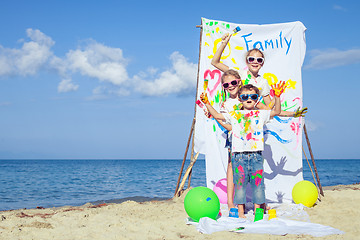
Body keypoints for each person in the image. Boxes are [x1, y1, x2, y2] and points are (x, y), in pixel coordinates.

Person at [202, 82, 286, 218]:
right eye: (245, 96)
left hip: (256, 156)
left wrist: (277, 97)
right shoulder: (235, 114)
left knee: (258, 186)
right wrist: (207, 103)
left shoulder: (261, 114)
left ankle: (258, 212)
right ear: (240, 99)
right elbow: (218, 116)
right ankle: (241, 212)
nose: (249, 99)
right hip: (238, 156)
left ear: (257, 99)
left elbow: (276, 111)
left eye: (253, 96)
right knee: (240, 186)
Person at [211, 33, 272, 107]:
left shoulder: (263, 82)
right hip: (234, 113)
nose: (255, 62)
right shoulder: (239, 74)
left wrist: (277, 97)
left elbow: (269, 107)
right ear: (247, 62)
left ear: (262, 63)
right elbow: (215, 62)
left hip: (252, 116)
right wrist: (223, 44)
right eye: (251, 59)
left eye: (259, 60)